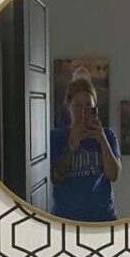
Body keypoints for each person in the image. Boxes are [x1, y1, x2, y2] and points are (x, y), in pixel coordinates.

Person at [50, 79, 121, 221]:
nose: (83, 111)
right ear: (69, 106)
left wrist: (102, 141)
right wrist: (71, 146)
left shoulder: (108, 135)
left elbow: (114, 175)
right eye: (78, 105)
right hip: (66, 219)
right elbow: (55, 179)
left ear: (95, 108)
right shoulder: (56, 137)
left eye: (89, 105)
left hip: (103, 218)